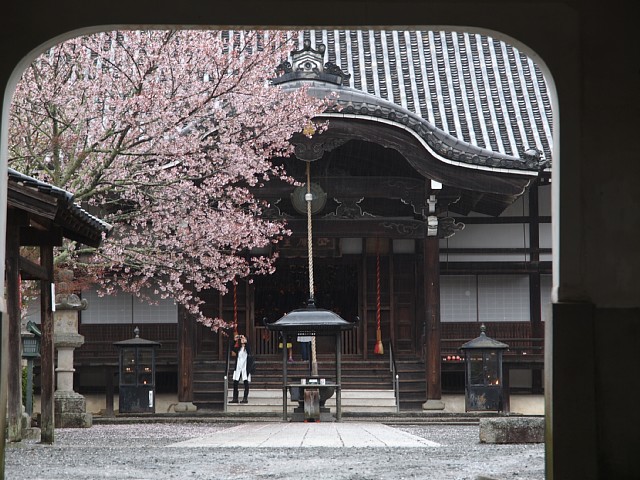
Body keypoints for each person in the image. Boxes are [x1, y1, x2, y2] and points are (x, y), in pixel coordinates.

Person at [230, 334, 255, 404]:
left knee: (245, 383)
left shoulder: (248, 348)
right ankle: (235, 398)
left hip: (245, 367)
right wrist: (234, 341)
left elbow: (249, 351)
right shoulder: (239, 349)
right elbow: (231, 348)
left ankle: (245, 398)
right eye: (241, 339)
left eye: (243, 338)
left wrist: (246, 343)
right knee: (235, 383)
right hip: (238, 367)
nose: (242, 340)